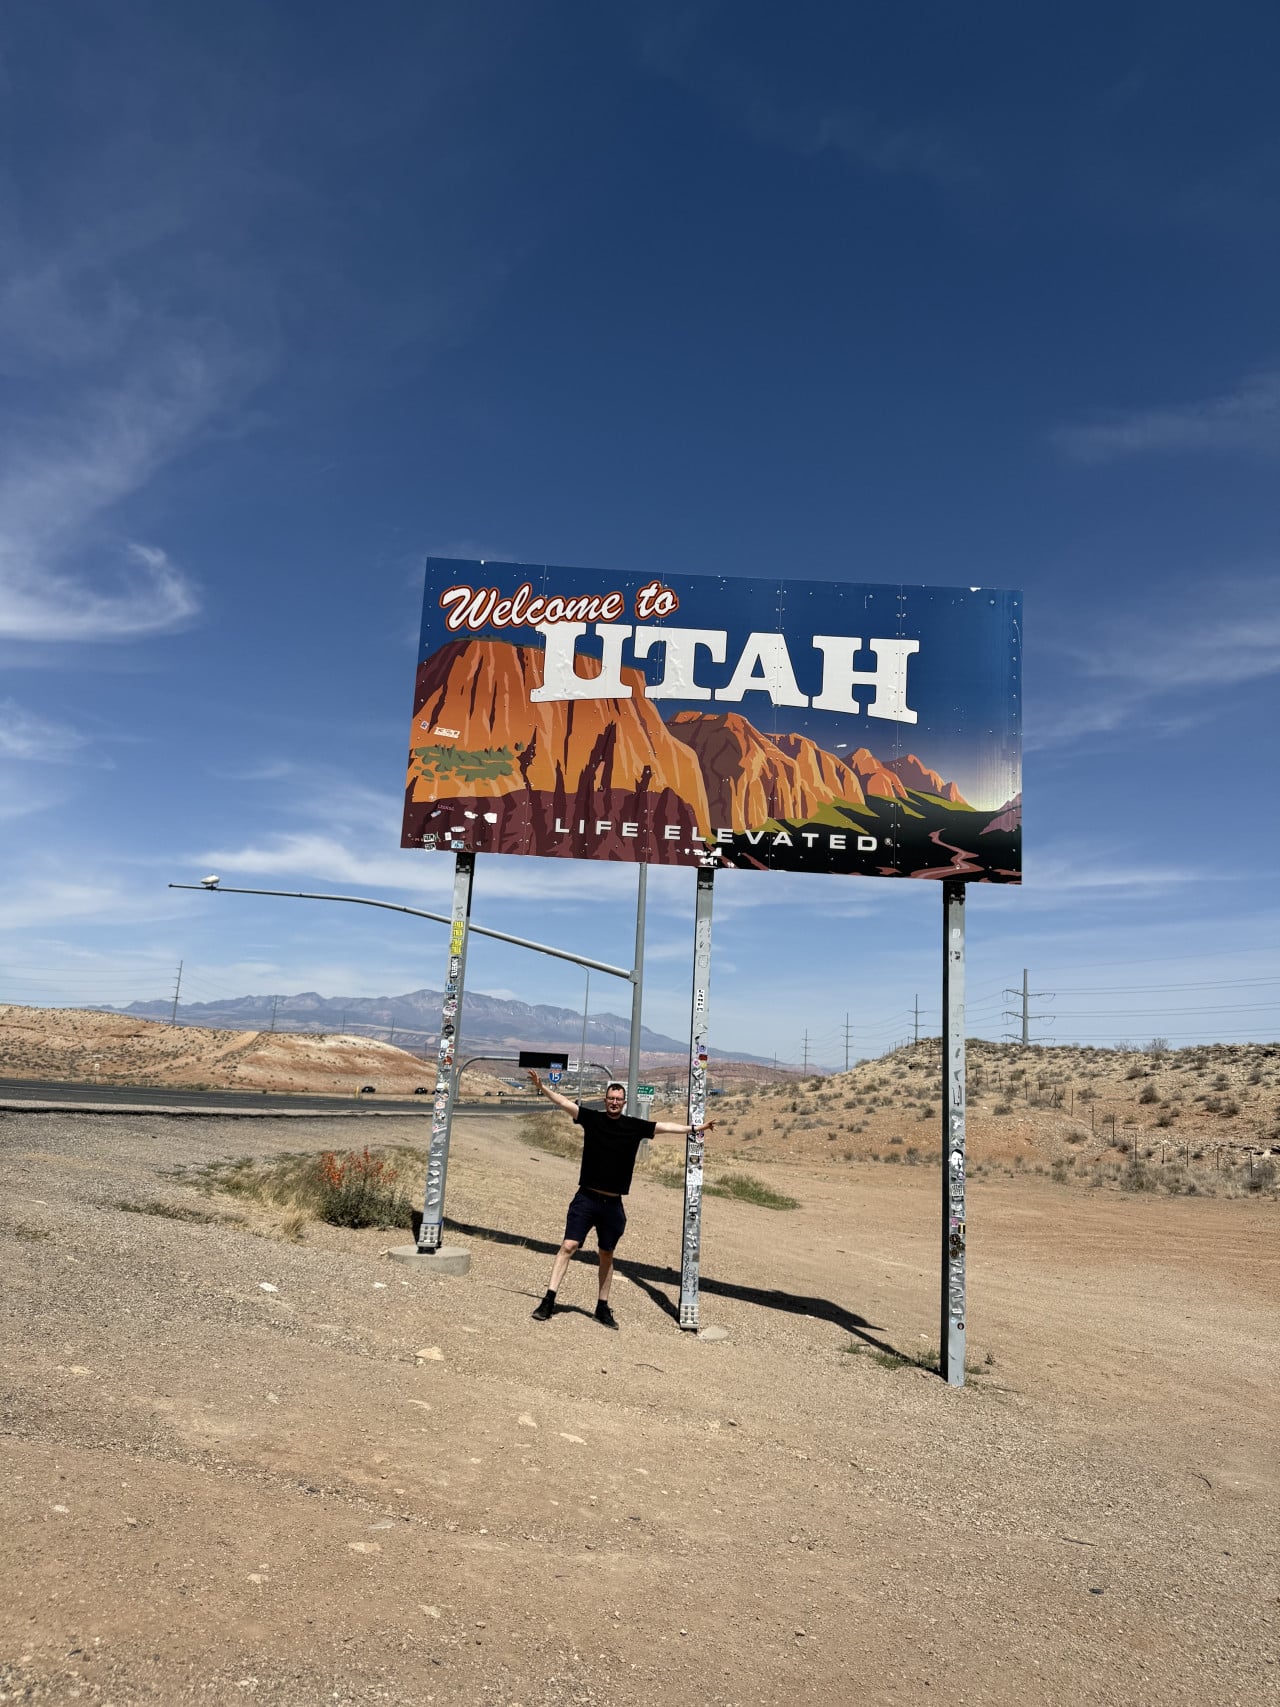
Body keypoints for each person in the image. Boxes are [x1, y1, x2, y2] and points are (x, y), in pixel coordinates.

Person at [526, 1071, 715, 1328]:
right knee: (568, 1246)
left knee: (606, 1253)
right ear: (605, 1100)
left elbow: (666, 1127)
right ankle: (548, 1300)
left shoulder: (634, 1126)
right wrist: (542, 1087)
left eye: (618, 1099)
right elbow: (563, 1102)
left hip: (613, 1205)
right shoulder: (591, 1119)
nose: (614, 1102)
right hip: (586, 1198)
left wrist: (695, 1128)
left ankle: (602, 1307)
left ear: (624, 1102)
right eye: (611, 1098)